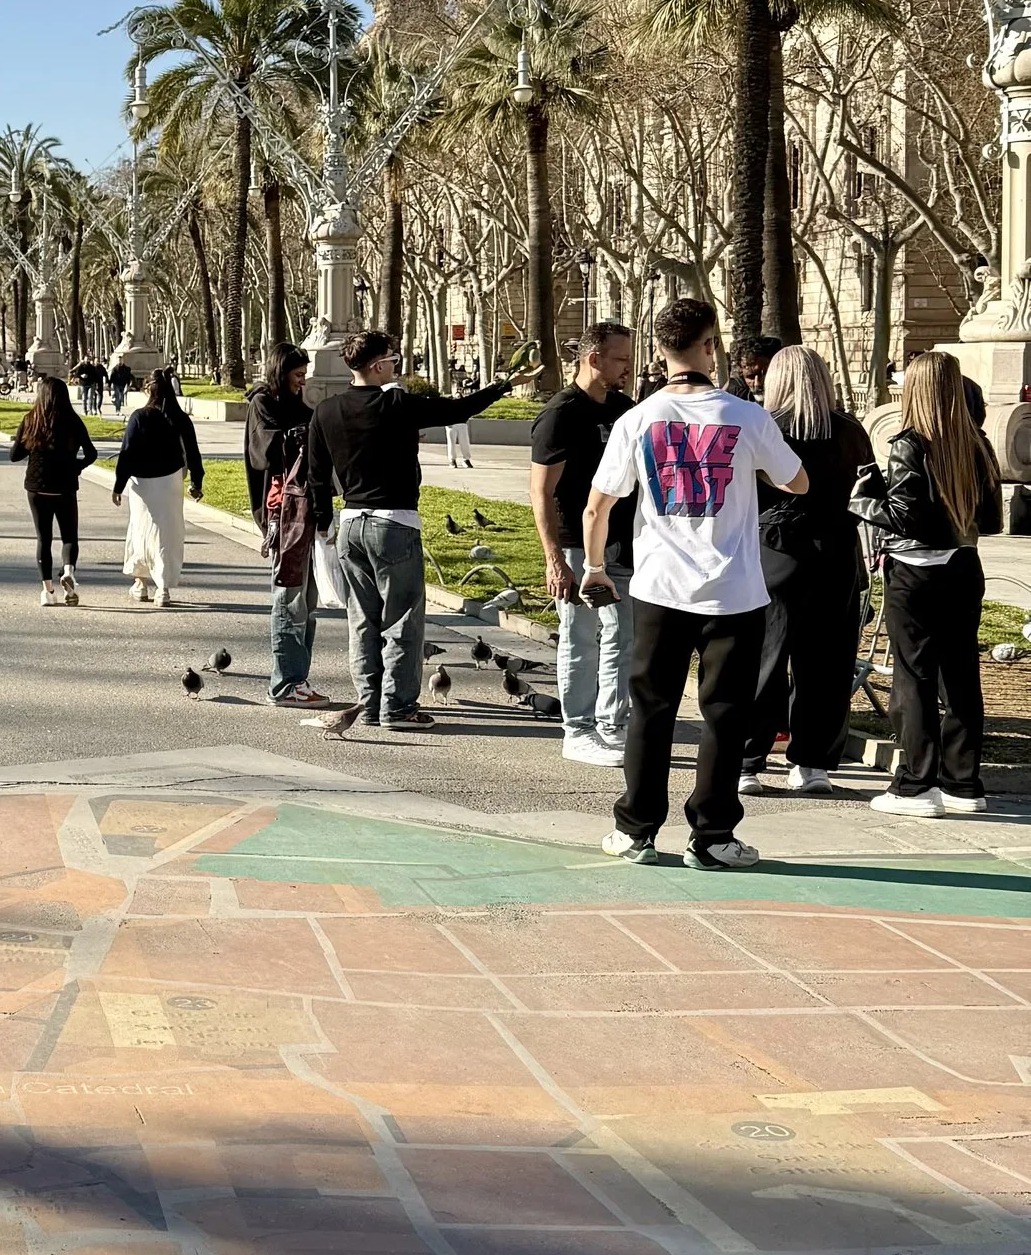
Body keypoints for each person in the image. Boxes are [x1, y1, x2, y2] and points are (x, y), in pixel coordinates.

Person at [583, 292, 807, 868]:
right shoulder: (748, 417)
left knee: (651, 709)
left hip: (658, 586)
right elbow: (798, 482)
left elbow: (597, 507)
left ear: (660, 350)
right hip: (733, 590)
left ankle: (636, 829)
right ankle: (712, 837)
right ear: (711, 348)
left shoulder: (637, 419)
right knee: (725, 714)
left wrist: (593, 567)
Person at [306, 330, 518, 735]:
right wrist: (504, 385)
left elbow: (316, 474)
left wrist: (323, 521)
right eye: (393, 359)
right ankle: (399, 707)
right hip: (394, 521)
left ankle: (369, 703)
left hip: (351, 523)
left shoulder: (327, 410)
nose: (395, 366)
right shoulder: (395, 403)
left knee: (363, 619)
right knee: (402, 620)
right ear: (376, 365)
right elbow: (458, 410)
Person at [855, 348, 1001, 819]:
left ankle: (917, 785)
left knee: (913, 677)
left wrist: (862, 498)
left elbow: (905, 518)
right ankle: (964, 782)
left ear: (915, 390)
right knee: (960, 674)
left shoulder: (909, 443)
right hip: (963, 565)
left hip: (914, 572)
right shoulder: (975, 442)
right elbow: (992, 521)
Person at [747, 343, 874, 795]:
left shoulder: (766, 427)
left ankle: (749, 756)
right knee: (827, 662)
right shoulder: (850, 431)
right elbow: (867, 492)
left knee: (764, 655)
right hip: (836, 550)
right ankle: (812, 761)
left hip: (775, 549)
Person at [529, 321, 635, 770]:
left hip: (622, 541)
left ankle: (613, 724)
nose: (629, 368)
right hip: (576, 541)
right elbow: (540, 492)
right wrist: (555, 559)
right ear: (594, 359)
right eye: (621, 359)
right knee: (580, 636)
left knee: (623, 635)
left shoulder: (626, 411)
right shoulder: (560, 413)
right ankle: (578, 728)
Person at [245, 346, 324, 703]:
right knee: (290, 596)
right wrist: (297, 435)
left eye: (304, 375)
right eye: (297, 375)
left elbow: (317, 426)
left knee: (307, 599)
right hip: (282, 513)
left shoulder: (298, 406)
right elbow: (263, 449)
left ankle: (298, 677)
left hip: (305, 509)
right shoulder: (262, 403)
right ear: (282, 373)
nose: (302, 381)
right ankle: (285, 682)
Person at [112, 369, 202, 608]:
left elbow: (127, 454)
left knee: (140, 531)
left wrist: (118, 485)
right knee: (168, 534)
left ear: (147, 390)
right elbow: (193, 453)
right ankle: (163, 588)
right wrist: (196, 482)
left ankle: (140, 583)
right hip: (170, 480)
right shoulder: (180, 418)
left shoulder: (139, 417)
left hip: (141, 484)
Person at [10, 373, 97, 606]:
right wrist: (76, 466)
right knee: (69, 536)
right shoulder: (73, 420)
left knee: (44, 538)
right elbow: (92, 453)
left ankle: (48, 591)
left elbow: (14, 455)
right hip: (65, 485)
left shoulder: (31, 419)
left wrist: (29, 444)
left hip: (37, 487)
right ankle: (68, 571)